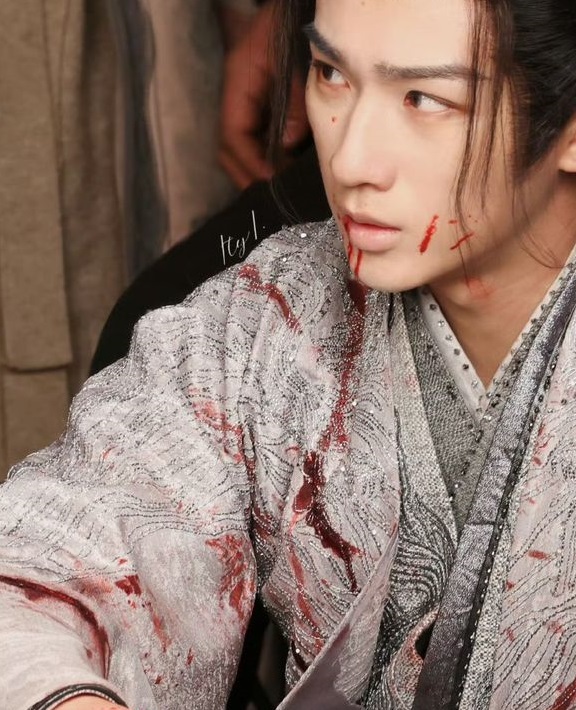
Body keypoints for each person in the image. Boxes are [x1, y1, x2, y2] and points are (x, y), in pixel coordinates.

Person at [2, 1, 576, 709]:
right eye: (331, 73)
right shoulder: (267, 320)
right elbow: (46, 557)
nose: (350, 158)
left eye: (423, 99)